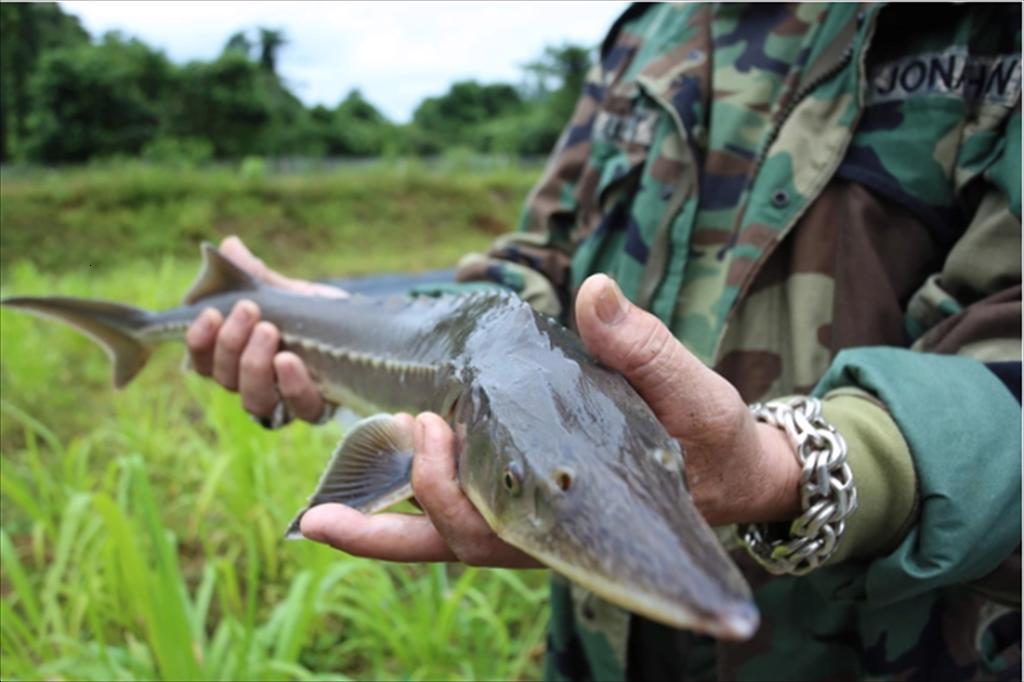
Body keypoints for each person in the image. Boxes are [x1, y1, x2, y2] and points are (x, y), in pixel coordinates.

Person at [187, 4, 1022, 680]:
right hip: (597, 651)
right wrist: (346, 321)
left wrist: (799, 464)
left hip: (881, 643)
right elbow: (542, 263)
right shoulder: (650, 31)